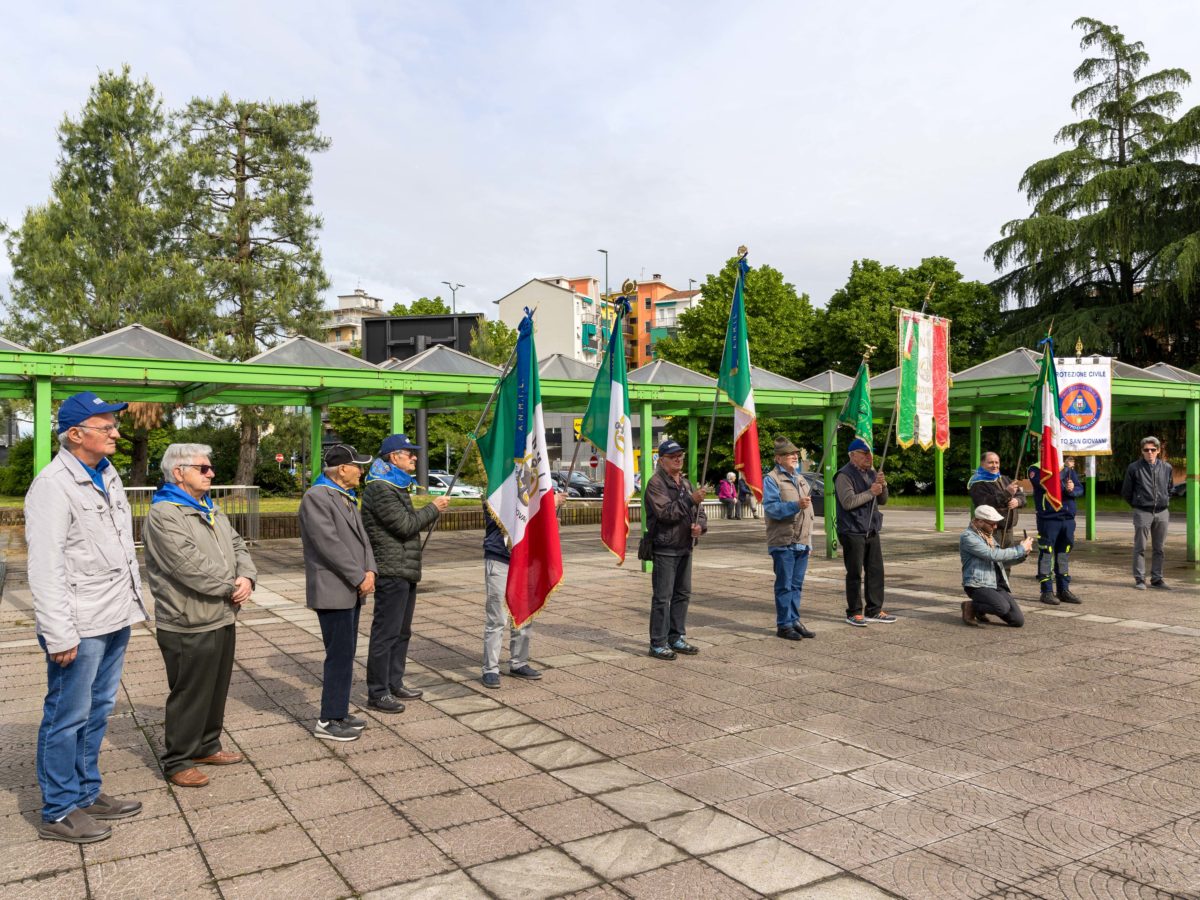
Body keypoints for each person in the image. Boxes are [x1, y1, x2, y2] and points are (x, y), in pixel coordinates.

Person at [26, 392, 146, 843]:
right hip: (78, 625)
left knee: (98, 711)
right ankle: (59, 809)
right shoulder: (52, 486)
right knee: (67, 716)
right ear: (75, 435)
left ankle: (86, 792)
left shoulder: (106, 473)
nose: (116, 432)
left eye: (114, 424)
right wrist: (59, 634)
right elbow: (45, 566)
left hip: (114, 616)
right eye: (106, 426)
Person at [143, 443, 257, 788]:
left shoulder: (207, 506)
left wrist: (247, 576)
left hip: (221, 613)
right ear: (179, 473)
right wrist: (229, 585)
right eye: (203, 468)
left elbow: (238, 544)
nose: (211, 473)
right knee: (190, 691)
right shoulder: (165, 513)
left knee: (216, 686)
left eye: (209, 468)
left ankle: (207, 744)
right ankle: (177, 759)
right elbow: (187, 564)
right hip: (188, 619)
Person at [361, 434, 449, 713]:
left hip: (404, 568)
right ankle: (377, 692)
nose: (414, 457)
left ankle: (394, 682)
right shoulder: (381, 488)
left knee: (402, 632)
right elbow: (404, 526)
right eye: (409, 453)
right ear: (393, 457)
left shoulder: (395, 485)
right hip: (391, 569)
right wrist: (433, 509)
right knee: (386, 633)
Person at [299, 444, 377, 742]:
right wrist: (359, 576)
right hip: (334, 588)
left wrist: (370, 570)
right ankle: (328, 719)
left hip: (351, 587)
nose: (361, 471)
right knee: (339, 655)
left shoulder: (344, 496)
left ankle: (339, 712)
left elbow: (362, 539)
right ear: (342, 468)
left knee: (346, 653)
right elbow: (328, 543)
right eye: (358, 465)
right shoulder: (317, 497)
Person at [480, 490, 563, 688]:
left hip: (525, 559)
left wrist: (550, 515)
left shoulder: (530, 484)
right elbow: (510, 511)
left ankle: (519, 662)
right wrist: (548, 504)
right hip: (500, 558)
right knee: (497, 617)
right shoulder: (496, 486)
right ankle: (490, 668)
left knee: (524, 612)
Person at [644, 439, 707, 660]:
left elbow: (700, 512)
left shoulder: (687, 484)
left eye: (680, 455)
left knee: (682, 594)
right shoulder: (656, 484)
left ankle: (676, 636)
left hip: (685, 547)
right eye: (673, 456)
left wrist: (701, 527)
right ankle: (658, 642)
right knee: (662, 597)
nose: (678, 459)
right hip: (665, 547)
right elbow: (666, 514)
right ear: (662, 461)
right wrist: (690, 500)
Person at [835, 438, 896, 627]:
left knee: (876, 571)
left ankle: (874, 609)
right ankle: (854, 612)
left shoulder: (872, 473)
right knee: (854, 572)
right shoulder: (844, 475)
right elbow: (848, 502)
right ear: (852, 455)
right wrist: (871, 491)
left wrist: (882, 486)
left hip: (871, 529)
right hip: (852, 529)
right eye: (864, 453)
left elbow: (883, 500)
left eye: (870, 453)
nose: (869, 457)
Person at [762, 435, 815, 640]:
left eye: (795, 453)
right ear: (778, 458)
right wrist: (795, 505)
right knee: (784, 585)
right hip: (783, 541)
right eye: (788, 454)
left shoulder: (800, 478)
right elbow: (772, 509)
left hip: (800, 542)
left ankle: (794, 620)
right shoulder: (772, 480)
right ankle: (784, 624)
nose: (794, 456)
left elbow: (808, 513)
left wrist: (808, 541)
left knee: (796, 585)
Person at [960, 505, 1036, 627]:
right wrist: (1020, 549)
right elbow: (992, 555)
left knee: (1017, 621)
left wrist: (1023, 554)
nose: (995, 527)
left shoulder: (988, 536)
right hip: (977, 585)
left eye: (996, 524)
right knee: (1002, 607)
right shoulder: (968, 537)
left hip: (996, 583)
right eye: (992, 524)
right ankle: (971, 606)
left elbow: (1001, 560)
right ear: (979, 521)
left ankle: (981, 609)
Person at [1028, 455, 1085, 605]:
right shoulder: (1035, 468)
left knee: (1063, 554)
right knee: (1046, 554)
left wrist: (1072, 489)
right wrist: (1065, 484)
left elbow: (1080, 488)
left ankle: (1063, 590)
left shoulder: (1066, 468)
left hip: (1067, 519)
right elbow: (1048, 485)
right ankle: (1046, 591)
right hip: (1049, 519)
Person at [1122, 435, 1173, 590]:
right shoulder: (1134, 468)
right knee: (1140, 547)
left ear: (1158, 451)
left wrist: (1165, 500)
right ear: (1142, 451)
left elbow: (1170, 488)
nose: (1149, 452)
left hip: (1162, 512)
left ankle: (1157, 578)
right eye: (1146, 450)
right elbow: (1126, 491)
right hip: (1142, 511)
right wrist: (1138, 504)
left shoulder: (1167, 467)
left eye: (1153, 449)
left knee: (1160, 547)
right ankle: (1140, 579)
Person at [967, 452, 1026, 551]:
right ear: (982, 464)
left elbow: (1021, 496)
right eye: (990, 463)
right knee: (993, 562)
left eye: (996, 462)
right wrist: (1007, 493)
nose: (995, 466)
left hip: (1008, 529)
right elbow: (985, 503)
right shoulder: (977, 483)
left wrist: (1018, 501)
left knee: (1008, 560)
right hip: (990, 529)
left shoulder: (1005, 479)